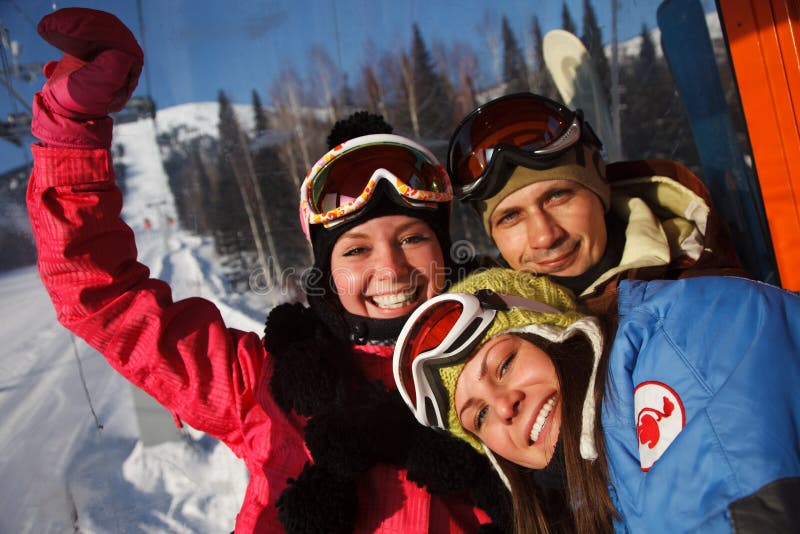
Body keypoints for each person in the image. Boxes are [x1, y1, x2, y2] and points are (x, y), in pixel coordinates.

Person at [26, 8, 512, 533]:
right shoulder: (261, 385)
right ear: (325, 271)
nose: (390, 267)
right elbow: (103, 298)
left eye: (413, 238)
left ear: (445, 250)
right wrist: (69, 130)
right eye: (354, 251)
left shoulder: (506, 361)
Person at [393, 267, 800, 533]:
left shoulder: (682, 332)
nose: (503, 406)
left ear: (557, 332)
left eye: (505, 365)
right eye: (479, 415)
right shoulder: (589, 490)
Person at [446, 92, 748, 314]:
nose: (545, 236)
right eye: (510, 217)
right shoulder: (493, 331)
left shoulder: (701, 281)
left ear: (599, 189)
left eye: (557, 196)